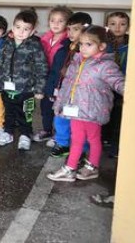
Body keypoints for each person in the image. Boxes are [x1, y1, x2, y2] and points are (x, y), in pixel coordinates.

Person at [47, 26, 125, 182]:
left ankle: (83, 167)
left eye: (89, 44)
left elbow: (118, 82)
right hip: (76, 110)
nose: (83, 48)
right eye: (81, 44)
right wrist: (59, 104)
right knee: (77, 139)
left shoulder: (105, 65)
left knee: (93, 139)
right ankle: (77, 167)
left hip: (92, 112)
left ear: (101, 46)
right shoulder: (76, 61)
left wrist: (132, 92)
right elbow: (67, 85)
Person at [0, 9, 48, 150]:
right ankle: (8, 133)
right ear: (13, 27)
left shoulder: (35, 46)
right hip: (7, 87)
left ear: (32, 31)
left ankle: (25, 134)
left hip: (26, 89)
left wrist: (39, 89)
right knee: (9, 112)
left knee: (25, 114)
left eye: (26, 29)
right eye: (18, 27)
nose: (21, 32)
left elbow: (41, 68)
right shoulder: (5, 43)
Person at [46, 12, 93, 157]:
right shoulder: (64, 48)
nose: (71, 33)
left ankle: (83, 149)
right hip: (63, 92)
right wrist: (51, 88)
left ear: (86, 30)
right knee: (60, 119)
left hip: (80, 94)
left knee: (79, 123)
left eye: (76, 29)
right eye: (69, 29)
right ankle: (63, 144)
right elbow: (55, 70)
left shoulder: (89, 51)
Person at [34, 6, 73, 143]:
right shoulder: (45, 38)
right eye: (52, 20)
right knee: (45, 107)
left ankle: (59, 135)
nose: (55, 24)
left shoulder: (68, 42)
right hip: (45, 77)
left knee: (59, 108)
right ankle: (47, 130)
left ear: (68, 24)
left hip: (59, 80)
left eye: (60, 21)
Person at [103, 11, 129, 157]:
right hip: (106, 86)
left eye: (122, 24)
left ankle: (116, 145)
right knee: (105, 111)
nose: (118, 27)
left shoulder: (132, 44)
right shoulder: (104, 44)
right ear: (107, 25)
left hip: (123, 85)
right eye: (113, 24)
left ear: (128, 26)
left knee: (119, 115)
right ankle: (104, 138)